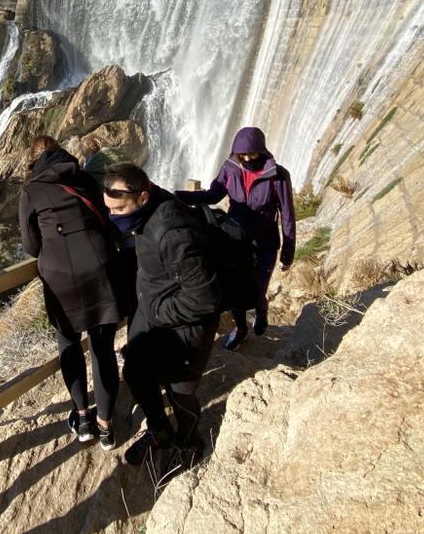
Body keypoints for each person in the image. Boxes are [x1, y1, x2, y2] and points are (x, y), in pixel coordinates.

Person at [103, 163, 222, 468]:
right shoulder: (147, 210)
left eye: (118, 209)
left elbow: (205, 298)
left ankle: (188, 441)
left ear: (143, 196)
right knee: (135, 373)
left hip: (185, 327)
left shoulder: (172, 232)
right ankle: (160, 431)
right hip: (155, 314)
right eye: (109, 209)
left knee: (180, 392)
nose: (113, 216)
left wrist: (157, 312)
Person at [19, 135, 121, 450]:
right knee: (102, 348)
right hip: (101, 268)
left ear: (34, 163)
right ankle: (106, 426)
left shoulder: (31, 191)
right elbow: (107, 219)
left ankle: (83, 419)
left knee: (69, 345)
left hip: (61, 278)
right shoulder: (87, 178)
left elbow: (31, 246)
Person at [176, 126, 295, 350]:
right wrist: (177, 197)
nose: (248, 158)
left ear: (262, 149)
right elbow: (212, 194)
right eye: (243, 154)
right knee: (235, 289)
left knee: (258, 288)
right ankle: (240, 328)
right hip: (235, 239)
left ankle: (261, 310)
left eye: (252, 153)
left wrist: (288, 253)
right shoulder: (230, 168)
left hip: (265, 242)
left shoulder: (277, 175)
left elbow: (288, 215)